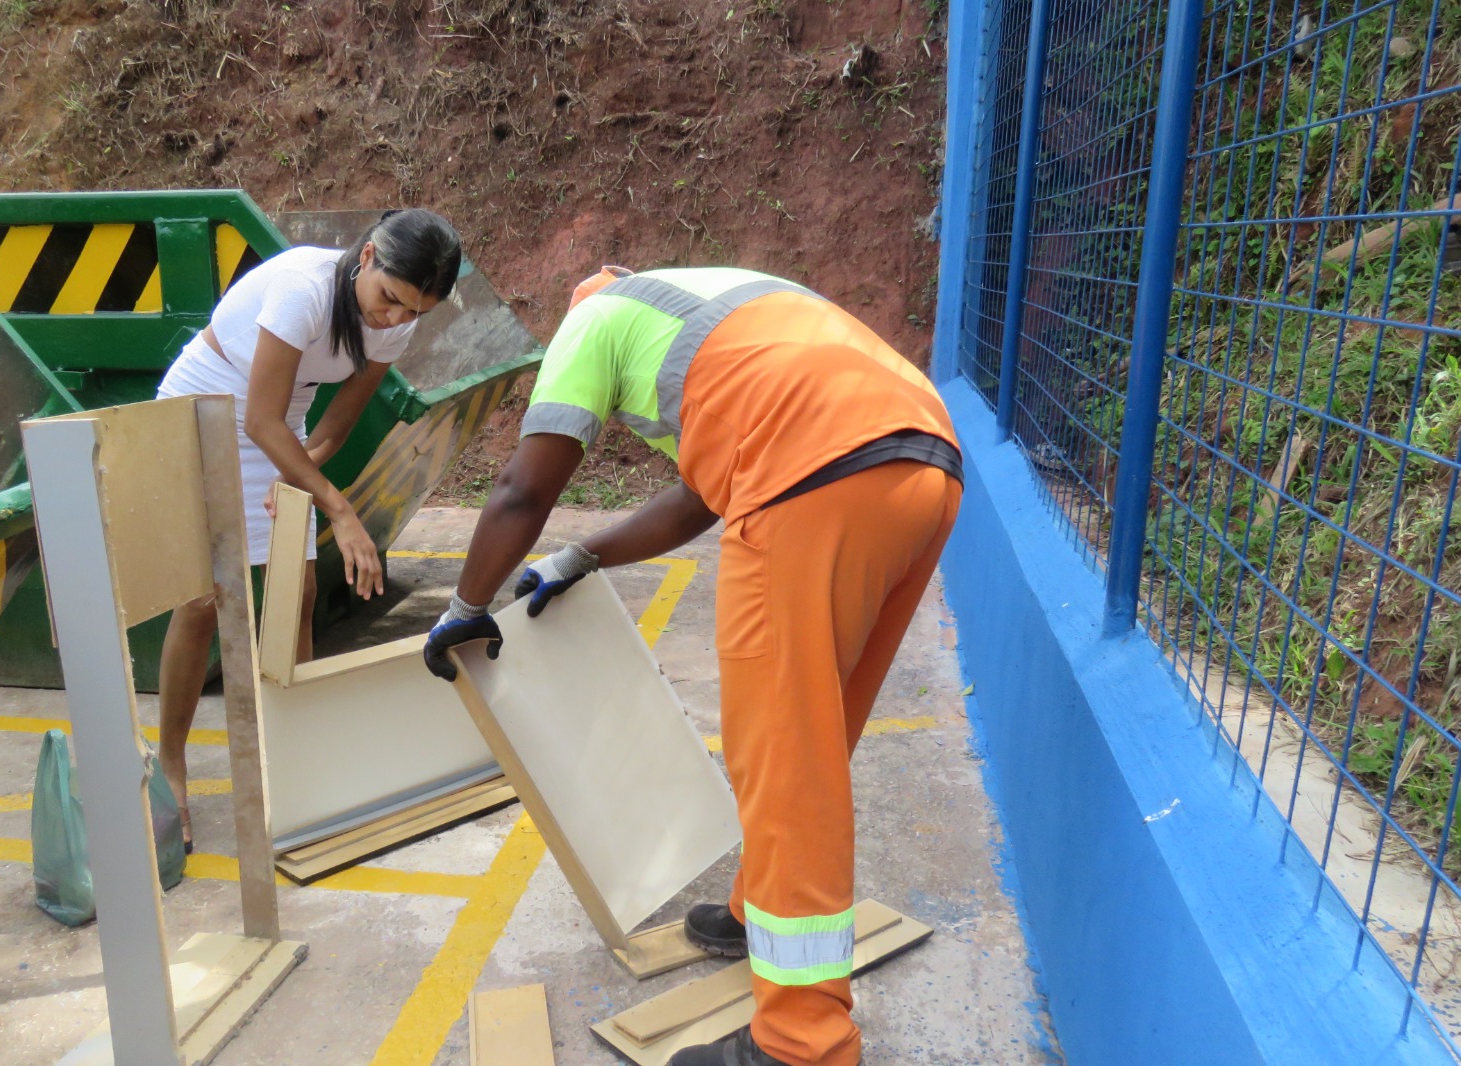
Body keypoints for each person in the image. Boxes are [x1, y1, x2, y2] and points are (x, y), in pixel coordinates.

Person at [423, 265, 962, 1066]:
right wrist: (582, 555)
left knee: (779, 758)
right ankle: (758, 912)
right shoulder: (717, 309)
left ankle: (800, 1042)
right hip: (923, 465)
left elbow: (520, 489)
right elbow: (697, 498)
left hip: (810, 477)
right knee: (817, 725)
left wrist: (466, 606)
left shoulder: (592, 319)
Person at [157, 208, 462, 853]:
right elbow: (259, 420)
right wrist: (337, 508)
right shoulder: (305, 288)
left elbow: (327, 431)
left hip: (281, 434)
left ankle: (293, 769)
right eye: (390, 301)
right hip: (203, 411)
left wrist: (301, 476)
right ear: (369, 257)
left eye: (415, 313)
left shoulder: (392, 323)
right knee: (202, 601)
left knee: (293, 600)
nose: (395, 320)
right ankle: (172, 772)